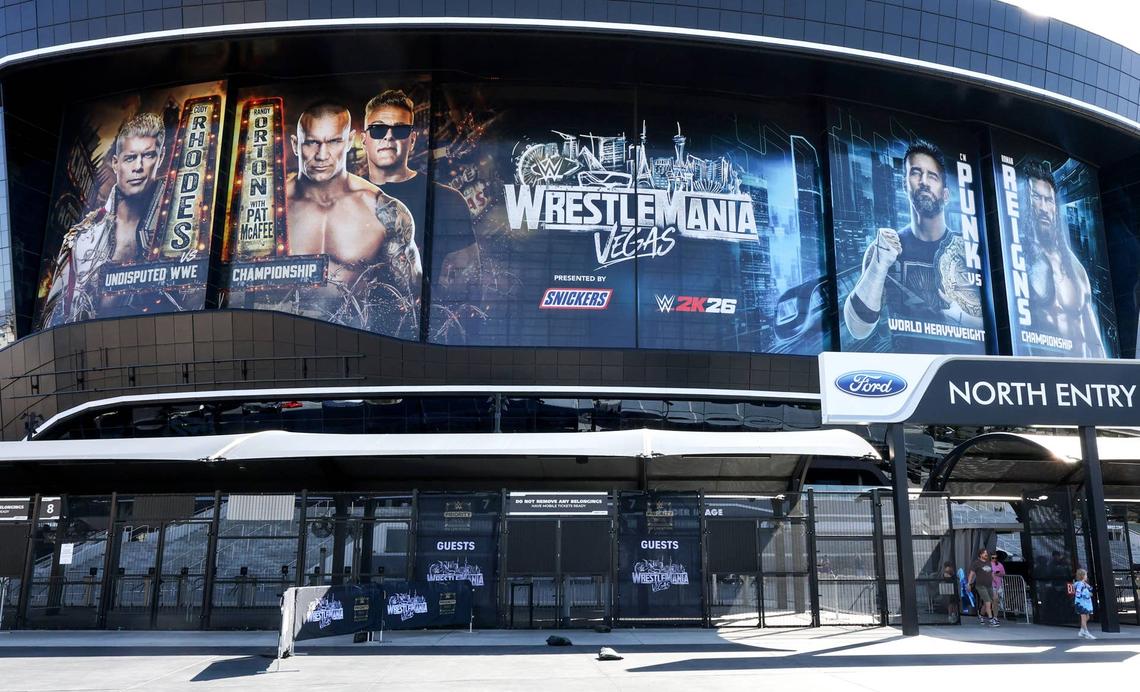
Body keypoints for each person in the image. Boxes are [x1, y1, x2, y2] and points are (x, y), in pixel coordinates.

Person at [286, 101, 421, 335]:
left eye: (334, 142)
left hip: (354, 346)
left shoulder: (384, 212)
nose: (322, 155)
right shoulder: (270, 206)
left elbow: (412, 299)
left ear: (349, 141)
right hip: (278, 341)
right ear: (296, 145)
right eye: (311, 142)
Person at [843, 139, 982, 345]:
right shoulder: (883, 249)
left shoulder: (969, 250)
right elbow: (859, 328)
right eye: (916, 173)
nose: (923, 181)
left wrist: (960, 317)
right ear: (904, 184)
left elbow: (992, 322)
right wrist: (878, 267)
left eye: (932, 176)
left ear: (945, 194)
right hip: (908, 370)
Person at [39, 112, 167, 326]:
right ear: (116, 163)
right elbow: (51, 319)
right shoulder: (81, 237)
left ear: (160, 158)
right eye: (130, 157)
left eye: (148, 156)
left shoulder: (182, 224)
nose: (138, 166)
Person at [360, 89, 480, 303]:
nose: (388, 136)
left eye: (400, 130)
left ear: (412, 140)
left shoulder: (446, 199)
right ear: (363, 139)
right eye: (378, 129)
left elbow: (468, 280)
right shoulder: (343, 196)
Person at [1022, 160, 1106, 358]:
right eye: (1036, 198)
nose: (1043, 207)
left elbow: (1095, 344)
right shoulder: (1020, 261)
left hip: (1083, 380)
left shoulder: (1075, 268)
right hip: (1043, 381)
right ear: (1027, 201)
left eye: (1049, 200)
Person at [968, 547, 999, 627]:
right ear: (981, 554)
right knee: (988, 602)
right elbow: (971, 574)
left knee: (987, 603)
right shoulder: (976, 563)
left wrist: (995, 581)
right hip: (980, 586)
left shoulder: (988, 562)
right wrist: (969, 583)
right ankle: (991, 620)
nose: (986, 554)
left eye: (986, 553)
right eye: (985, 553)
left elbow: (991, 572)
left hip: (989, 585)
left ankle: (981, 615)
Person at [1074, 568, 1096, 639]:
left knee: (1087, 617)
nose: (1087, 576)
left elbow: (1090, 589)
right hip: (1081, 604)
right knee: (1084, 618)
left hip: (1085, 604)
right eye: (1086, 575)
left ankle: (1082, 631)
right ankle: (1086, 632)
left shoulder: (1084, 583)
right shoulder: (1080, 584)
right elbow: (1078, 593)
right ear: (1083, 576)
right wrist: (1087, 595)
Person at [990, 551, 1006, 620]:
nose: (994, 559)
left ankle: (995, 616)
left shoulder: (999, 565)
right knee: (995, 599)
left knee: (995, 601)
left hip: (998, 584)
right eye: (993, 557)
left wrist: (997, 574)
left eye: (995, 557)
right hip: (990, 584)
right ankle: (993, 616)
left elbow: (1003, 573)